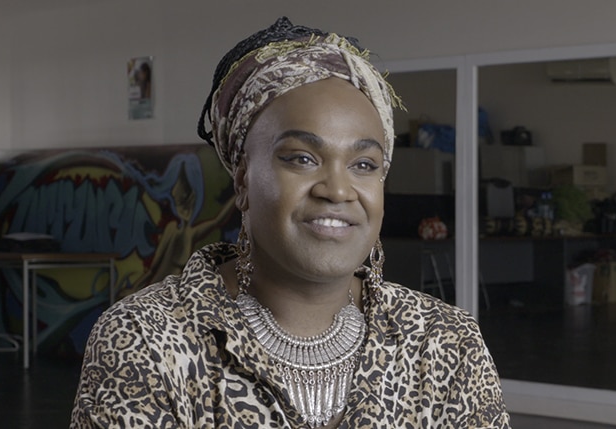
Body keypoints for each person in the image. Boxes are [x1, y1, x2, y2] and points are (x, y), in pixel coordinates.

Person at [71, 16, 511, 428]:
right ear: (243, 178)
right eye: (301, 158)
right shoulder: (147, 339)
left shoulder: (446, 342)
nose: (337, 190)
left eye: (364, 164)